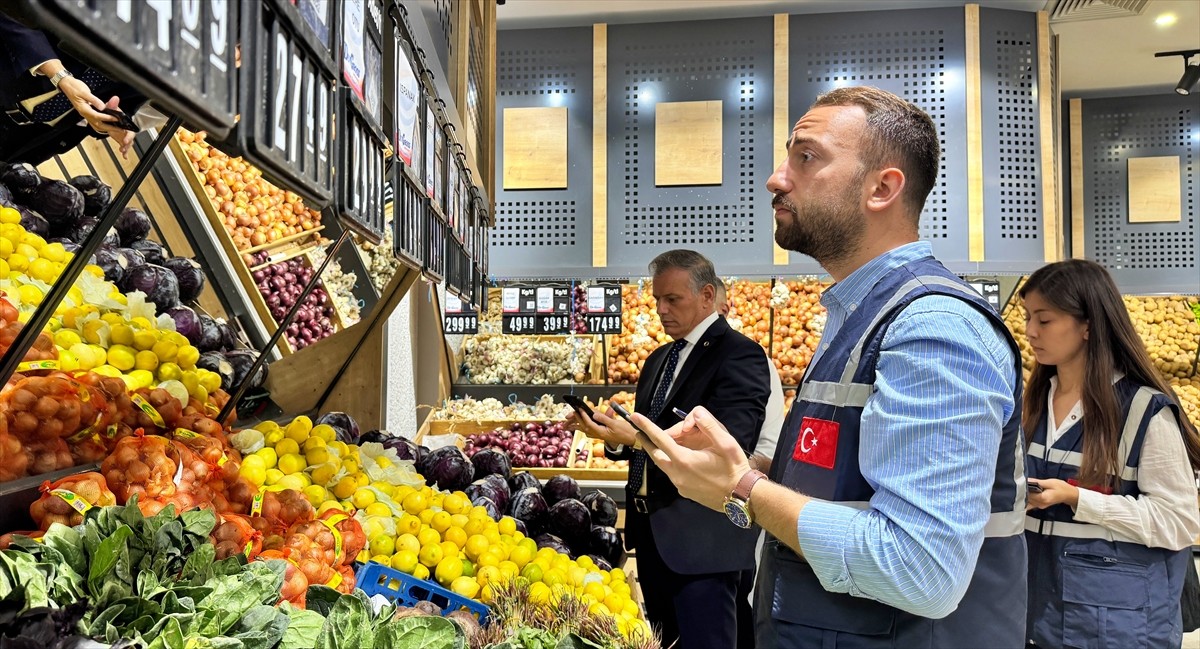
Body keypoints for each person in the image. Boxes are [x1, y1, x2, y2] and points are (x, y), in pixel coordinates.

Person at [632, 86, 1028, 647]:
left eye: (806, 157)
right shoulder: (860, 315)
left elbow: (922, 568)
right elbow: (845, 487)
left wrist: (743, 487)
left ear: (882, 187)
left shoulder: (932, 327)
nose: (776, 178)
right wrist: (764, 473)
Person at [577, 250, 772, 649]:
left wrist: (638, 437)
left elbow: (728, 447)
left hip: (703, 542)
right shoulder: (658, 359)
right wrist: (613, 438)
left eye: (672, 300)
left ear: (705, 296)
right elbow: (646, 440)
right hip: (651, 537)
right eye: (656, 301)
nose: (662, 310)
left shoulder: (740, 355)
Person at [1020, 259, 1200, 649]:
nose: (1030, 331)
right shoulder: (1032, 404)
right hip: (1037, 614)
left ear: (1088, 325)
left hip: (1119, 625)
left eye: (1044, 320)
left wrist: (1076, 499)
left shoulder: (1144, 411)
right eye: (1027, 317)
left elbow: (1180, 522)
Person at [0, 10, 145, 163]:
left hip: (35, 139)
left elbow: (127, 102)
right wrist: (60, 76)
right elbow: (13, 11)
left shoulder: (164, 47)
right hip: (8, 80)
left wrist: (109, 123)